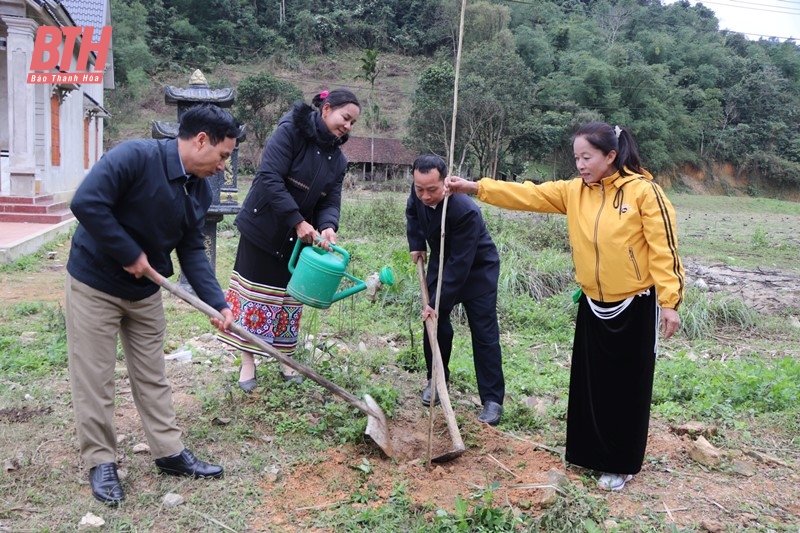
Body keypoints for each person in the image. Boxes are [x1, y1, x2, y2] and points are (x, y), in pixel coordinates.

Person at [446, 122, 685, 490]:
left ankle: (620, 464)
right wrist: (475, 187)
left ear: (610, 155)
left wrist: (670, 302)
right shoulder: (575, 192)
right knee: (591, 384)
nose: (580, 165)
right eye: (576, 158)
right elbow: (528, 195)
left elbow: (663, 249)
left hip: (635, 305)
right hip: (593, 302)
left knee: (626, 388)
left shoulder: (643, 193)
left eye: (587, 157)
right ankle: (588, 454)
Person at [66, 104, 239, 504]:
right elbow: (87, 203)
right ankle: (101, 461)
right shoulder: (135, 157)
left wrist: (218, 303)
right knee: (95, 378)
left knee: (153, 375)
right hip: (95, 282)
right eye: (224, 155)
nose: (222, 166)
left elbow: (192, 248)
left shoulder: (198, 187)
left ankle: (169, 453)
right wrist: (129, 253)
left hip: (145, 292)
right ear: (200, 141)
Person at [218, 89, 361, 391]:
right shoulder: (291, 131)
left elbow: (330, 200)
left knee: (289, 298)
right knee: (253, 296)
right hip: (264, 224)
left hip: (298, 238)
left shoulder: (338, 159)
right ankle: (247, 361)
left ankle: (285, 357)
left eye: (352, 123)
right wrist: (297, 220)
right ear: (326, 110)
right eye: (344, 118)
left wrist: (327, 226)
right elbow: (269, 177)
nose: (347, 126)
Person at [406, 153, 506, 426]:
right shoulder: (418, 194)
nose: (425, 196)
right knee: (435, 326)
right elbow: (413, 213)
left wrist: (436, 301)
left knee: (484, 333)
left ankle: (492, 400)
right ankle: (436, 380)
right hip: (441, 263)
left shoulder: (465, 211)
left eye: (432, 190)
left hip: (476, 271)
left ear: (446, 183)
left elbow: (460, 265)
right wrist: (416, 243)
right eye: (420, 189)